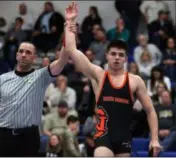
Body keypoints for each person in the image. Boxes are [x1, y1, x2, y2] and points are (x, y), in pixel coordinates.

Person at [64, 2, 162, 157]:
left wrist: (155, 139)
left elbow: (150, 110)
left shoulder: (135, 81)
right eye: (114, 54)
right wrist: (69, 22)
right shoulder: (99, 75)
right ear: (107, 55)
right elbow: (71, 50)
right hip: (104, 136)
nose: (117, 57)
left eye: (121, 55)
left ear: (125, 59)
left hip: (124, 138)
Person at [0, 41, 72, 157]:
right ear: (16, 55)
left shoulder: (41, 76)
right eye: (21, 51)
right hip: (4, 136)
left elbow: (61, 61)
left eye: (28, 52)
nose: (24, 54)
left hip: (28, 138)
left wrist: (68, 34)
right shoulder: (2, 79)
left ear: (34, 58)